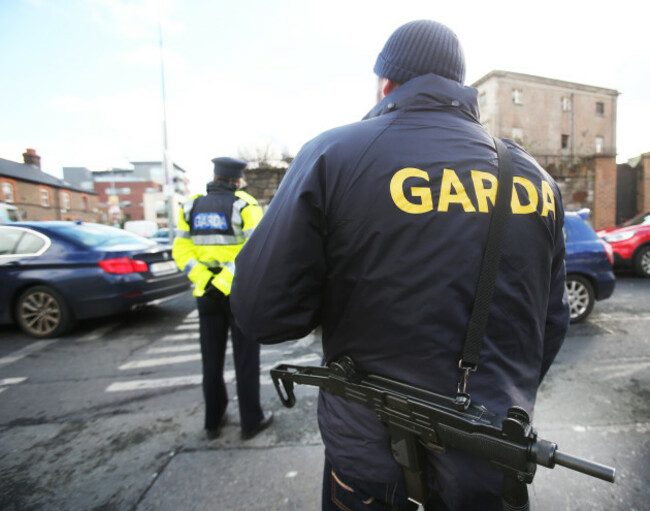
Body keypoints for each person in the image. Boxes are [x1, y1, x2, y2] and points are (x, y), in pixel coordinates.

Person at [231, 20, 569, 511]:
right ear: (460, 86)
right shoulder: (534, 178)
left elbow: (262, 313)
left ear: (386, 83)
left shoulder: (334, 154)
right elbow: (551, 324)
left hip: (372, 468)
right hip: (491, 464)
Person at [172, 156, 272, 441]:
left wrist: (206, 279)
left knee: (211, 361)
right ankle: (251, 421)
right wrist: (226, 280)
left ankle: (213, 422)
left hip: (206, 295)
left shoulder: (190, 205)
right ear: (238, 180)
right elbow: (255, 249)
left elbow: (180, 250)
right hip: (238, 294)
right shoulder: (245, 205)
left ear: (215, 177)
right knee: (246, 360)